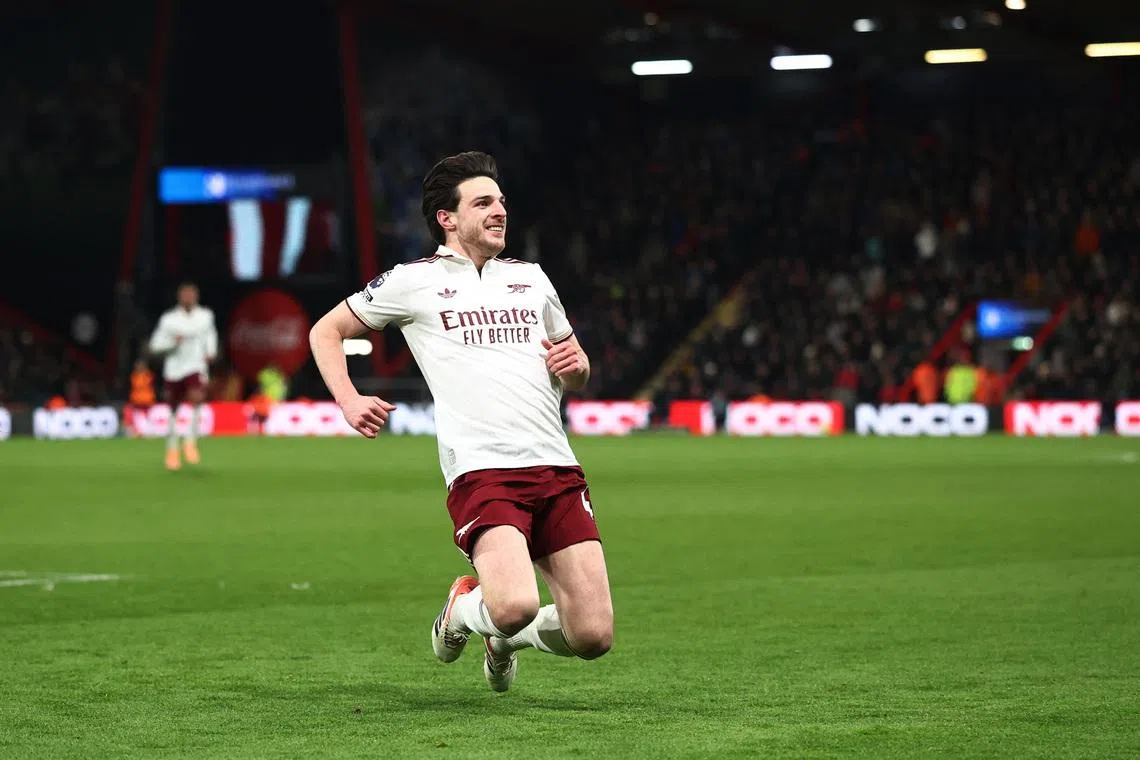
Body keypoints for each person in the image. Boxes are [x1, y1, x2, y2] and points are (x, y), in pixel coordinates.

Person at [308, 151, 613, 693]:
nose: (500, 211)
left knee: (592, 636)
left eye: (501, 202)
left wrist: (580, 366)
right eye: (483, 203)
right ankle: (464, 609)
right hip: (483, 469)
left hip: (557, 466)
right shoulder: (411, 281)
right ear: (447, 219)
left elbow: (576, 365)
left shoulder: (532, 279)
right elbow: (325, 331)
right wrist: (349, 399)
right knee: (516, 603)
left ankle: (503, 640)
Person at [148, 282, 218, 470]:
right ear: (180, 297)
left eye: (191, 295)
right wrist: (172, 342)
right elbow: (155, 345)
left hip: (195, 365)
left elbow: (210, 336)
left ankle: (189, 440)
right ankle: (172, 449)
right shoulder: (169, 320)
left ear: (196, 297)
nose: (188, 298)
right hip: (174, 368)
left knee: (197, 399)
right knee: (173, 409)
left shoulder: (205, 317)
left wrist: (211, 351)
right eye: (185, 295)